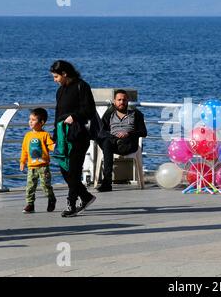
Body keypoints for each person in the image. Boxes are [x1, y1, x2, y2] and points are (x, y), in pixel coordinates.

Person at [50, 60, 97, 217]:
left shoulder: (82, 86)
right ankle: (86, 196)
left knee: (74, 171)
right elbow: (58, 113)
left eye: (56, 76)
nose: (54, 80)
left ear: (64, 74)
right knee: (65, 169)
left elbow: (89, 110)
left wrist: (74, 116)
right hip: (63, 136)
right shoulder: (60, 91)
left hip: (78, 135)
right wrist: (55, 136)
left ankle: (71, 205)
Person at [96, 89, 147, 192]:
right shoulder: (109, 114)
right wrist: (112, 137)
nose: (121, 102)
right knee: (106, 142)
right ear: (114, 101)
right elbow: (101, 130)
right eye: (119, 100)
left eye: (124, 100)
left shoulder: (135, 114)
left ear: (127, 101)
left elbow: (143, 132)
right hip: (112, 144)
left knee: (108, 144)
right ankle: (107, 182)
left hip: (129, 143)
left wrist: (128, 134)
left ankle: (106, 182)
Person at [20, 108, 56, 213]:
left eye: (33, 119)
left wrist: (57, 147)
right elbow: (24, 150)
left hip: (43, 166)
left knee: (46, 186)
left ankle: (51, 199)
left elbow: (51, 146)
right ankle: (30, 205)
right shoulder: (27, 136)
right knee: (30, 187)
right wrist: (22, 162)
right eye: (29, 119)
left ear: (41, 122)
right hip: (31, 167)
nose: (30, 121)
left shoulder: (45, 135)